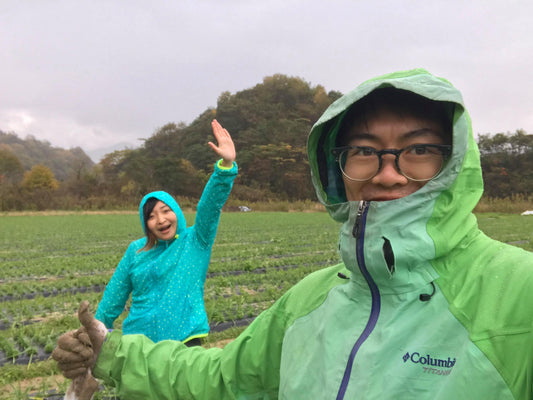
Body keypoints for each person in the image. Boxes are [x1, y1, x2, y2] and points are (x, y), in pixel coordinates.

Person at [52, 69, 533, 400]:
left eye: (419, 149)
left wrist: (225, 166)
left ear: (454, 162)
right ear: (337, 169)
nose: (388, 174)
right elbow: (225, 379)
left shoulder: (519, 294)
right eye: (364, 151)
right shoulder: (308, 301)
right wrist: (109, 350)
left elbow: (214, 205)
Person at [94, 119, 238, 345]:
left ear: (177, 213)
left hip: (185, 342)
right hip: (139, 345)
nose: (160, 220)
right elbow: (115, 294)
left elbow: (209, 206)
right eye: (151, 216)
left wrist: (225, 167)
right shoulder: (136, 250)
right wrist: (95, 332)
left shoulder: (195, 241)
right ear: (146, 223)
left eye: (165, 211)